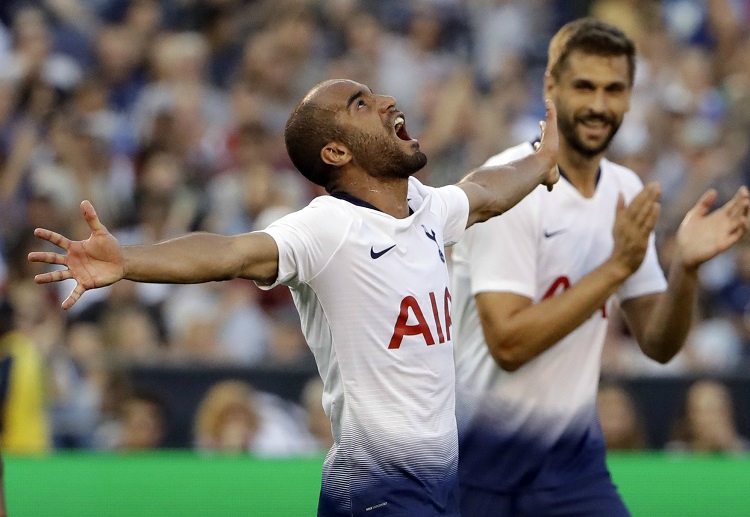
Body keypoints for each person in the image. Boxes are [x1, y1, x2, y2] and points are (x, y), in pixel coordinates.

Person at [28, 78, 559, 517]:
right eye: (360, 103)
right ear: (336, 151)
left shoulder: (423, 208)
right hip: (376, 490)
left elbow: (484, 193)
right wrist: (129, 262)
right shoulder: (328, 227)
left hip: (438, 486)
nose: (385, 102)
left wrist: (543, 160)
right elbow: (231, 252)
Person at [451, 18, 750, 517]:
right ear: (551, 87)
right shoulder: (507, 188)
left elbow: (658, 343)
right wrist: (616, 268)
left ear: (631, 97)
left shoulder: (625, 190)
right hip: (475, 467)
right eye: (584, 86)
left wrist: (686, 270)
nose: (599, 105)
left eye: (614, 89)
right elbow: (508, 344)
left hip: (573, 467)